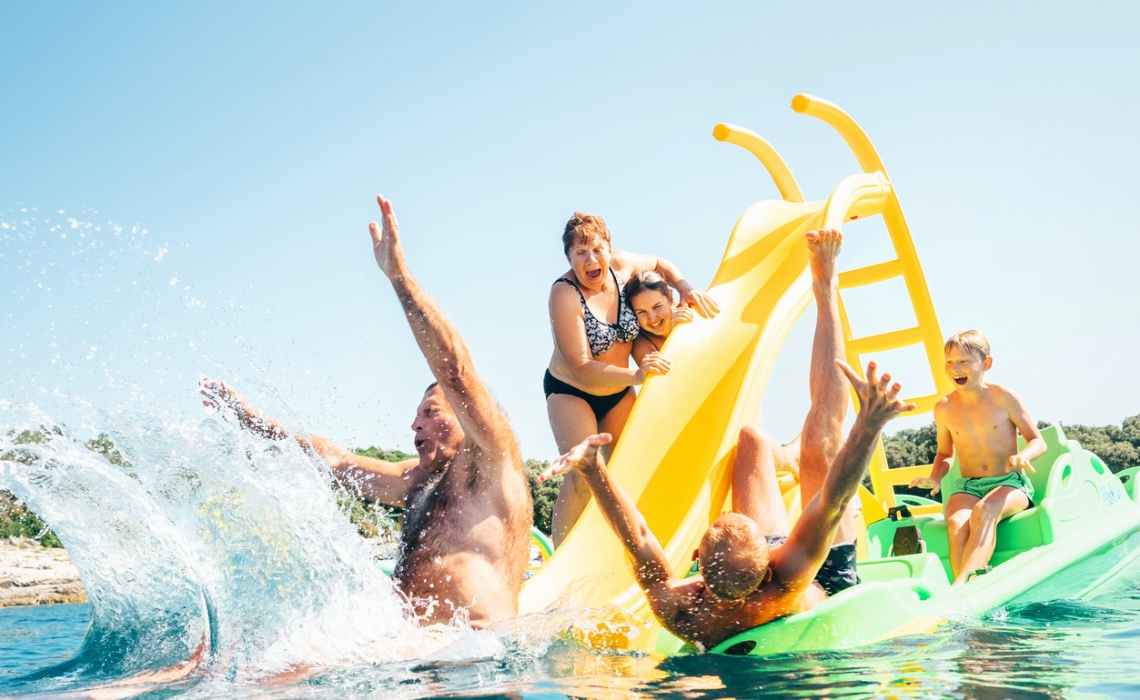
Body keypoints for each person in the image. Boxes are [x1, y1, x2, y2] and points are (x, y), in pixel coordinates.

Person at [540, 230, 914, 651]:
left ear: (697, 563)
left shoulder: (680, 609)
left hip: (737, 591)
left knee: (751, 440)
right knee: (820, 441)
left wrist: (594, 469)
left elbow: (638, 538)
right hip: (815, 591)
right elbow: (833, 500)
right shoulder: (788, 573)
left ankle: (786, 456)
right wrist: (867, 427)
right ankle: (824, 288)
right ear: (770, 561)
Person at [201, 195, 532, 629]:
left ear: (468, 421)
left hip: (476, 649)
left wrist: (400, 279)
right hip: (410, 658)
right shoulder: (417, 481)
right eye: (417, 415)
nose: (416, 423)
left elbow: (455, 370)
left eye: (431, 412)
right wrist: (254, 423)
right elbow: (335, 460)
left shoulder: (491, 461)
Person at [546, 211, 719, 545]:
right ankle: (561, 561)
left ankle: (633, 550)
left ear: (609, 249)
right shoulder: (564, 294)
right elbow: (581, 364)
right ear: (569, 258)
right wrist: (636, 374)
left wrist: (683, 287)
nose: (591, 259)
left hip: (617, 390)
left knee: (634, 468)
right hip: (572, 392)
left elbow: (660, 263)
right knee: (583, 474)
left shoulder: (623, 266)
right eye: (580, 253)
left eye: (597, 249)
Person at [909, 330, 1045, 586]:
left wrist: (1024, 456)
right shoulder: (944, 408)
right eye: (949, 362)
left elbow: (1037, 441)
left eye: (964, 361)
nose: (955, 368)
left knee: (984, 510)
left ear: (986, 364)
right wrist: (935, 477)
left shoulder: (1004, 397)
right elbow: (945, 453)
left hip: (1009, 483)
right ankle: (968, 586)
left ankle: (961, 585)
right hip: (968, 486)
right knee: (957, 521)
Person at [624, 270, 696, 366]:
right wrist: (675, 335)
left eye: (657, 306)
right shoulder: (642, 343)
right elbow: (670, 377)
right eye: (641, 312)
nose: (652, 318)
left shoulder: (690, 309)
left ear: (670, 297)